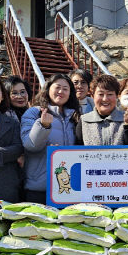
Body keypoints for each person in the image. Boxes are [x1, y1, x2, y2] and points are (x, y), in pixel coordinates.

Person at [21, 74, 80, 203]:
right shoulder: (34, 113)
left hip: (68, 188)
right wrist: (43, 126)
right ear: (47, 89)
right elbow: (29, 145)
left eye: (65, 89)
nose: (61, 91)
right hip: (39, 187)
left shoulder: (74, 117)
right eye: (57, 87)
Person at [76, 74, 128, 145]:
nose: (105, 99)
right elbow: (77, 151)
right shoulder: (84, 120)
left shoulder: (126, 118)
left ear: (117, 96)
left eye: (110, 94)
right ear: (92, 96)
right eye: (101, 94)